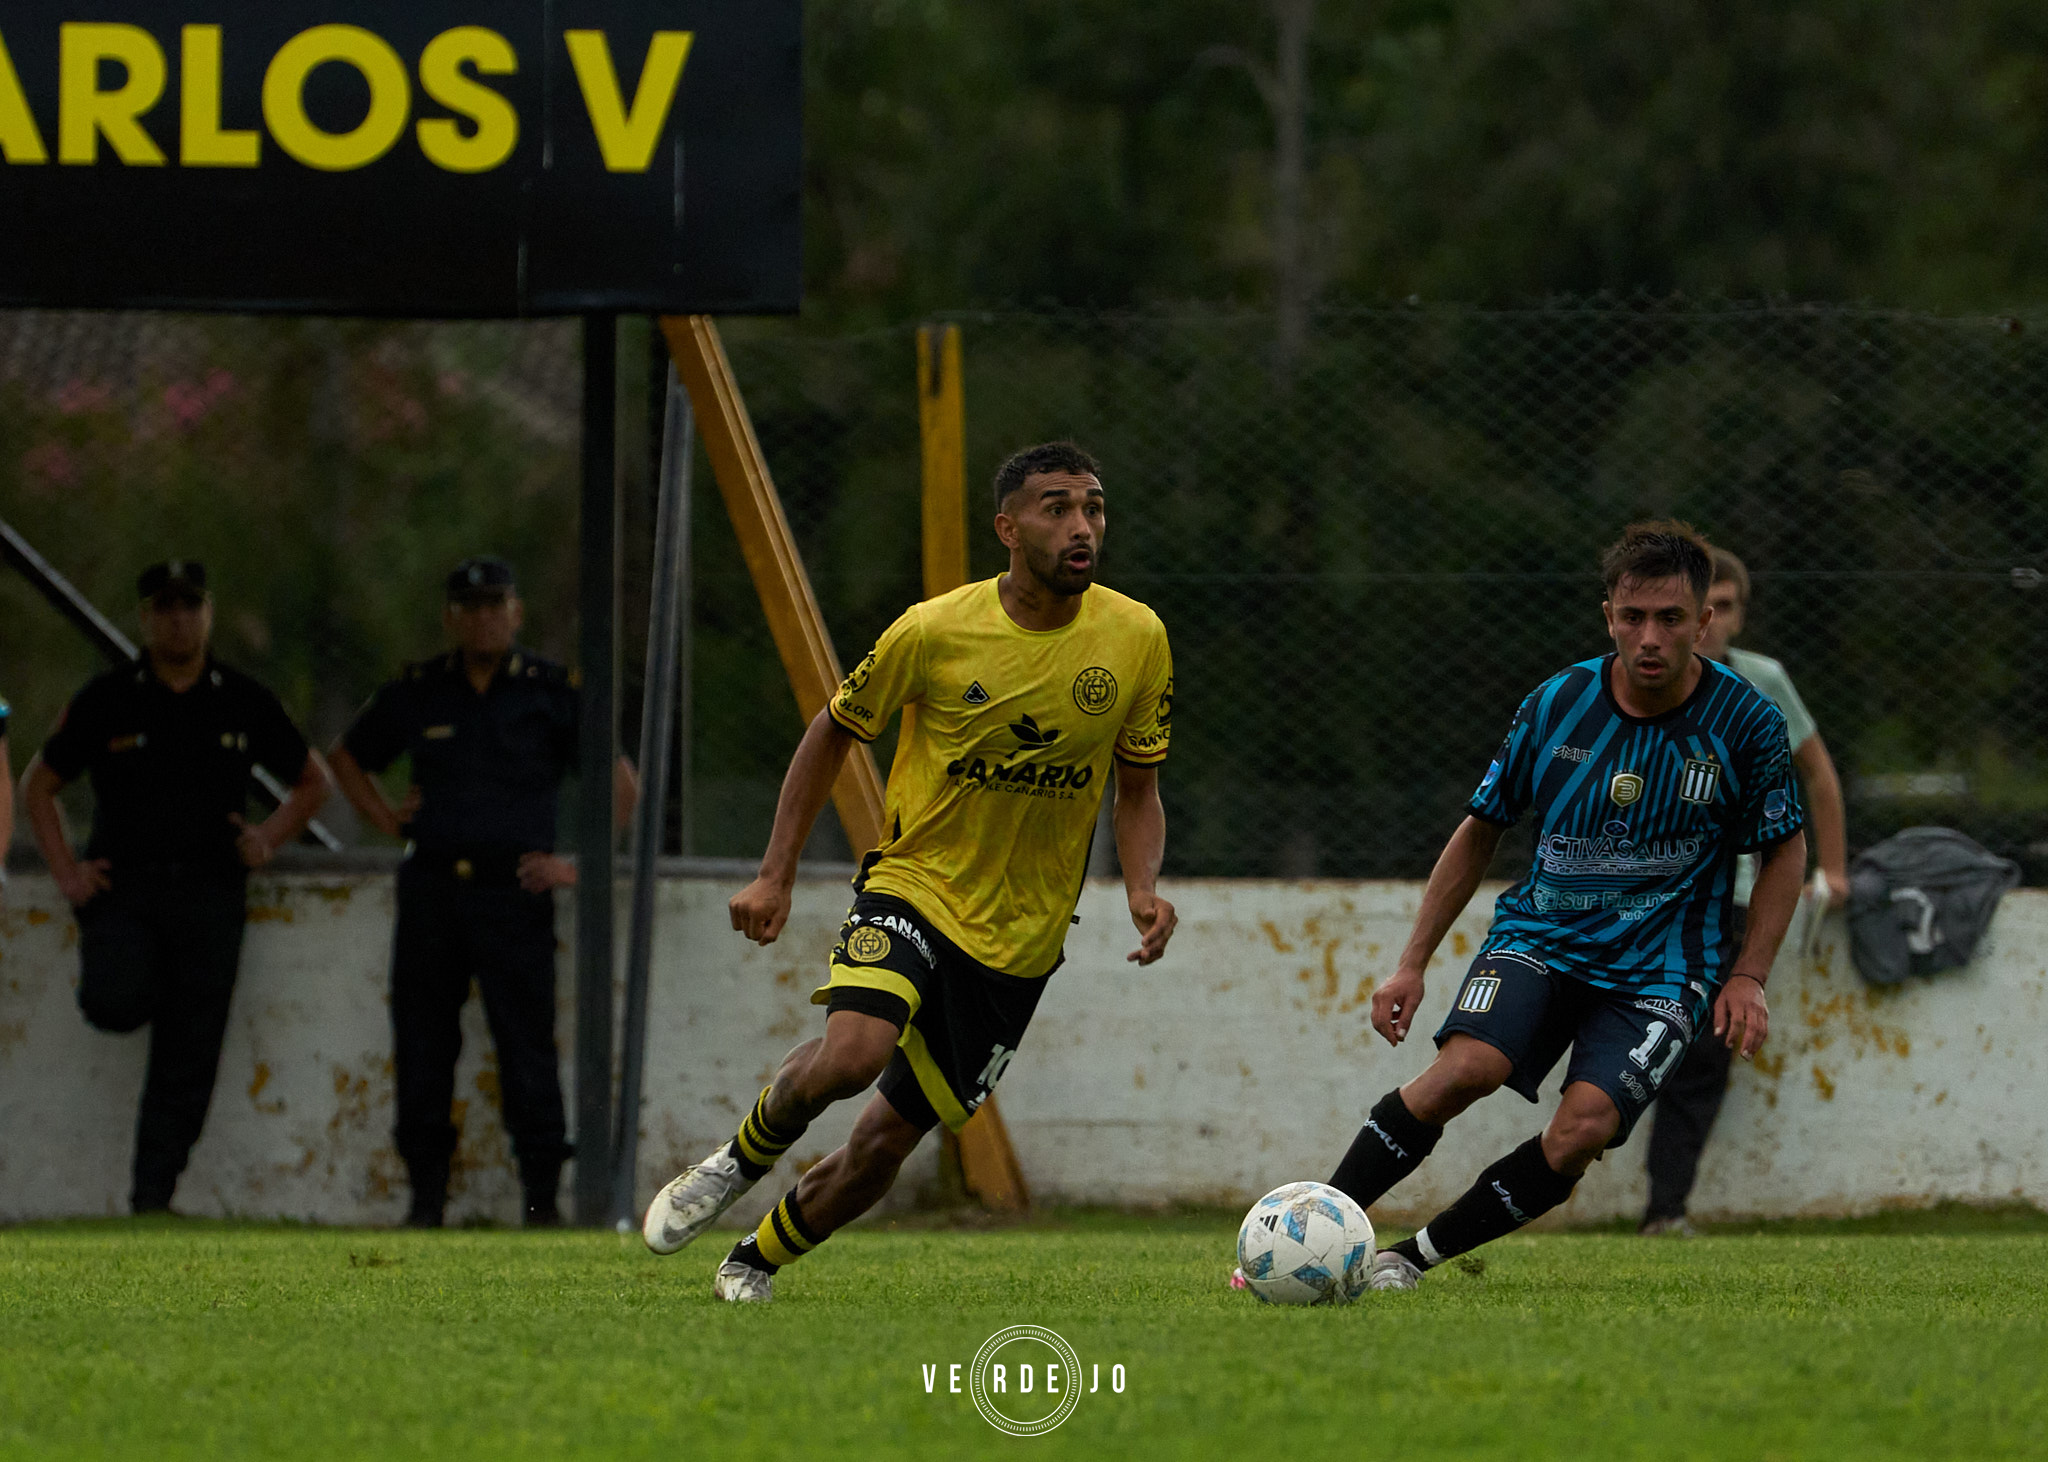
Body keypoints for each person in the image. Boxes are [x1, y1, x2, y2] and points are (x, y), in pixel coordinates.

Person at [642, 441, 1177, 1302]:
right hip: (914, 886)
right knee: (855, 1055)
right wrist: (774, 874)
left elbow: (1138, 787)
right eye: (1057, 508)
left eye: (1094, 507)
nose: (1082, 526)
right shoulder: (933, 630)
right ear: (1007, 527)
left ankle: (754, 1261)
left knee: (884, 1144)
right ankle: (739, 1158)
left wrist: (1144, 888)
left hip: (1023, 940)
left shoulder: (1137, 636)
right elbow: (832, 732)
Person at [1312, 522, 1806, 1291]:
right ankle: (1308, 1231)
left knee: (1582, 1131)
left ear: (1703, 621)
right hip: (1543, 936)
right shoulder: (1555, 705)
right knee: (1463, 1070)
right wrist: (1411, 963)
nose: (1650, 637)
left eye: (1671, 619)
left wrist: (1751, 974)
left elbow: (1786, 847)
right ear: (1608, 613)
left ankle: (1408, 1259)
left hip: (1664, 965)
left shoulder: (1747, 724)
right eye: (1632, 617)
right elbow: (1481, 830)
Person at [328, 557, 635, 1229]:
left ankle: (541, 1203)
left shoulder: (551, 692)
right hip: (434, 887)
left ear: (517, 613)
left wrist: (580, 867)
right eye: (469, 607)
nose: (483, 617)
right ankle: (426, 1202)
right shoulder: (420, 690)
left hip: (514, 893)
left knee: (525, 1043)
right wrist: (386, 819)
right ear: (450, 618)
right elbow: (346, 757)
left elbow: (621, 784)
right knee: (423, 1043)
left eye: (495, 605)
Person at [20, 560, 330, 1214]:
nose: (178, 619)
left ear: (208, 614)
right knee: (114, 999)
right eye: (165, 608)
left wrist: (268, 837)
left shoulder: (241, 699)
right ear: (146, 618)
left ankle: (151, 1200)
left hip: (210, 893)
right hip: (125, 890)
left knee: (189, 1058)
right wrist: (67, 873)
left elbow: (313, 782)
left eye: (189, 606)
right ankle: (152, 978)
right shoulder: (109, 699)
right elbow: (38, 787)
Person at [1638, 545, 1848, 1236]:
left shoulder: (1762, 683)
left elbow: (1816, 773)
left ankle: (1665, 1208)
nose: (1716, 621)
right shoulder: (1635, 683)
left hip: (1725, 900)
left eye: (1727, 608)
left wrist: (1834, 868)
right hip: (1641, 894)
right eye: (1709, 607)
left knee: (1702, 1050)